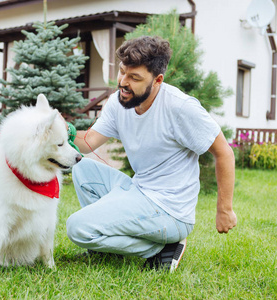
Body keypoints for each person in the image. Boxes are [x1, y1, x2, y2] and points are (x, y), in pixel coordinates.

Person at [66, 35, 237, 272]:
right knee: (80, 166)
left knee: (77, 228)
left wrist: (224, 210)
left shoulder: (180, 107)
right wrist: (60, 131)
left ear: (157, 80)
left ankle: (163, 249)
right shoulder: (119, 101)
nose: (123, 82)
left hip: (170, 210)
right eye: (122, 72)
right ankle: (107, 244)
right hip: (140, 190)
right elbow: (89, 141)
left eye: (134, 77)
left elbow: (224, 153)